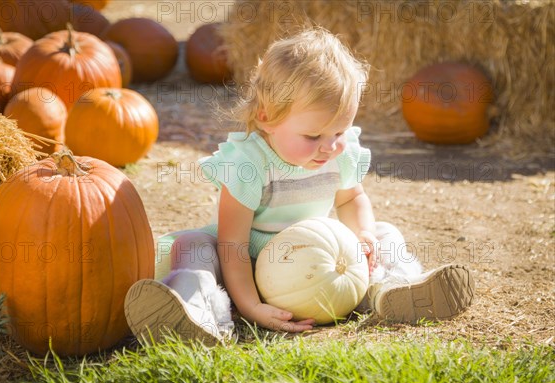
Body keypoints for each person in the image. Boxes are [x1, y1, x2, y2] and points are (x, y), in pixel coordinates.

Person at [124, 28, 475, 345]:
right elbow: (233, 243)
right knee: (193, 244)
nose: (331, 145)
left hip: (317, 264)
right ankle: (197, 312)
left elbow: (353, 197)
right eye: (314, 135)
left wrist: (364, 235)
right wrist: (251, 305)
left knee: (385, 233)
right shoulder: (249, 163)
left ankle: (394, 289)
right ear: (266, 118)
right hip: (248, 263)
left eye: (339, 131)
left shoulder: (339, 152)